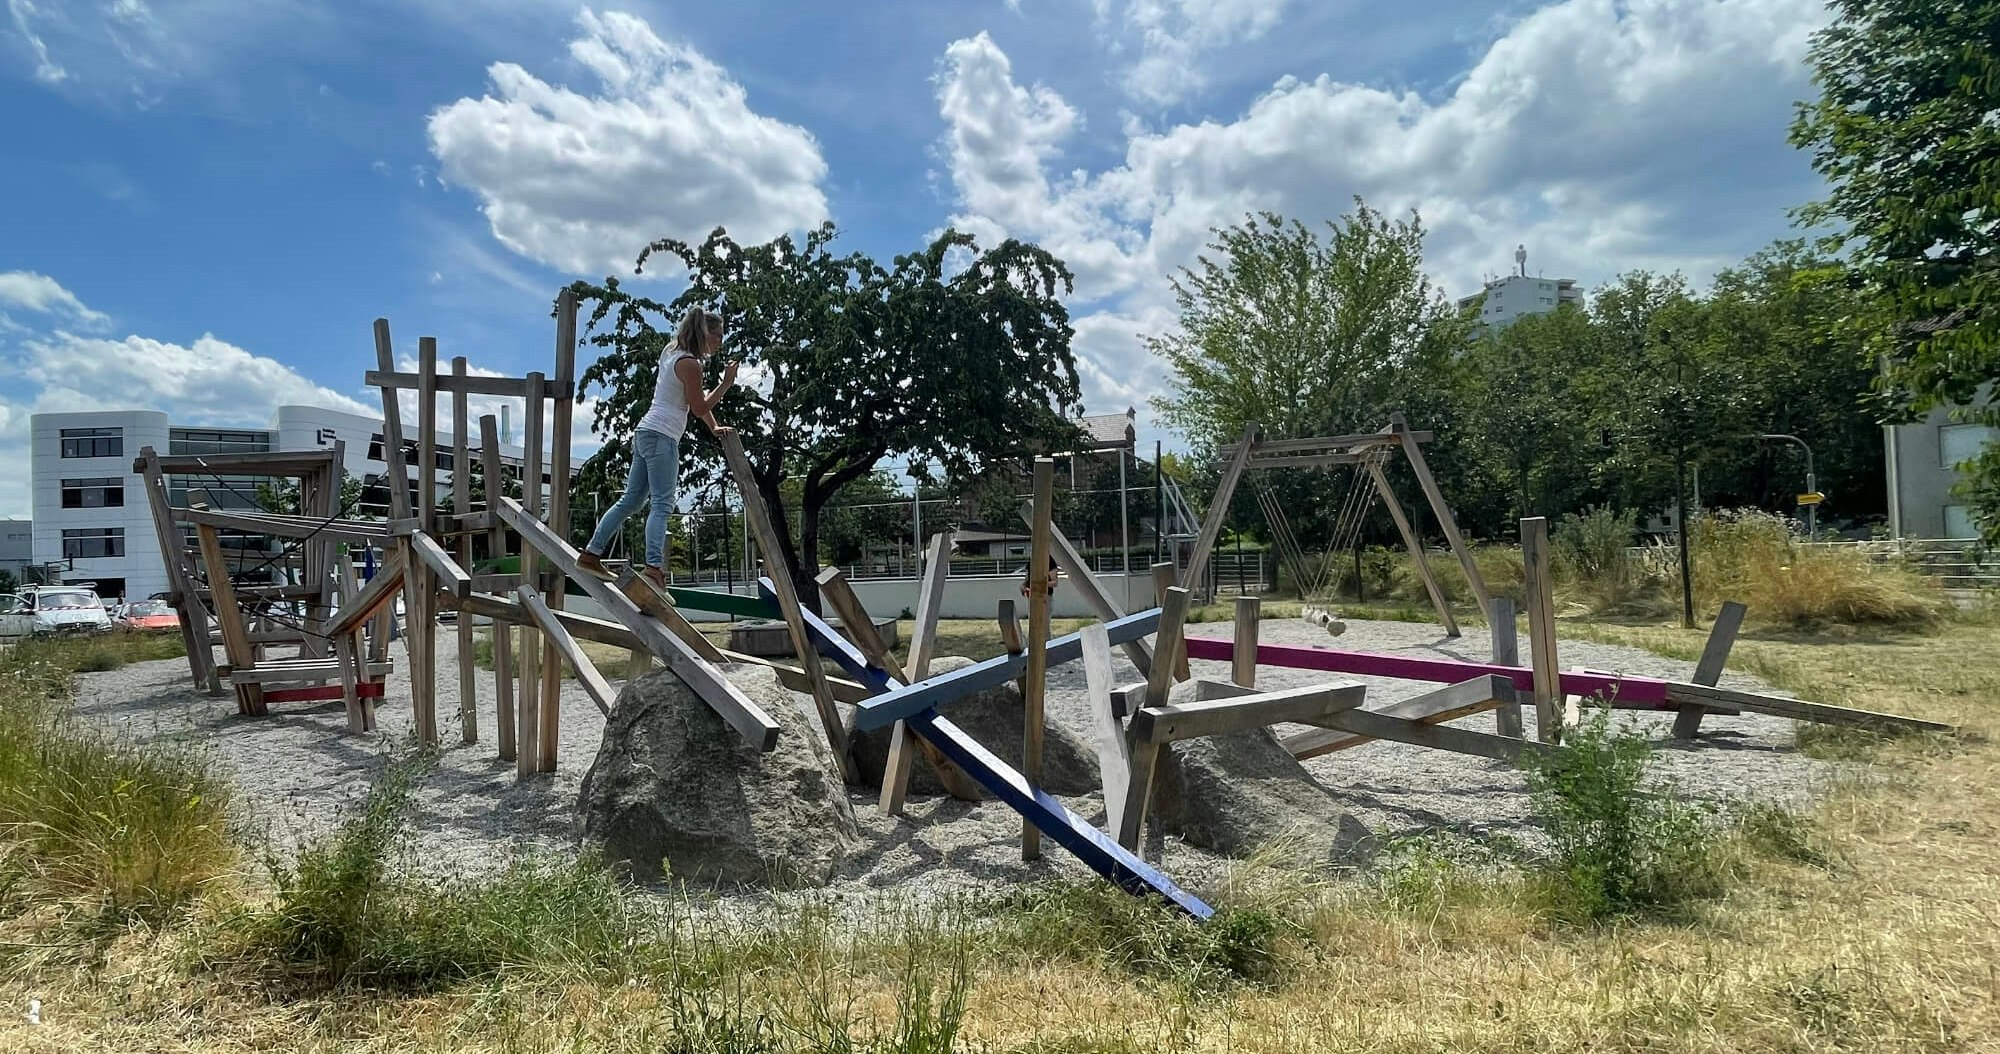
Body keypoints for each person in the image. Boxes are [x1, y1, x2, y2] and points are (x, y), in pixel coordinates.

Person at [576, 307, 738, 585]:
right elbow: (698, 407)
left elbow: (688, 401)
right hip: (663, 436)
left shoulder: (671, 351)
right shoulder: (691, 364)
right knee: (662, 504)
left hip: (645, 431)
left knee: (631, 500)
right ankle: (654, 569)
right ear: (705, 334)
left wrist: (714, 428)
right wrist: (726, 384)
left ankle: (591, 554)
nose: (721, 342)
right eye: (719, 336)